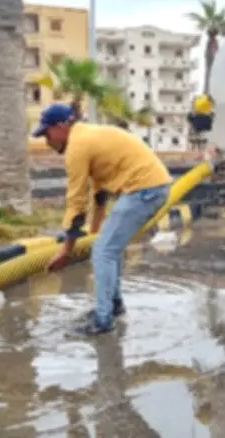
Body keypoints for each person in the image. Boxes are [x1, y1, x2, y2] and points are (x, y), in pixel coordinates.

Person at [34, 104, 173, 336]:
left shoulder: (77, 146)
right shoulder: (88, 137)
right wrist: (94, 234)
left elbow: (76, 202)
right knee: (107, 248)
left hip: (144, 189)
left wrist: (66, 251)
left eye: (47, 134)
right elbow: (99, 195)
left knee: (104, 251)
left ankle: (103, 320)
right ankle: (113, 306)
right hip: (150, 187)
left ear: (60, 127)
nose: (47, 142)